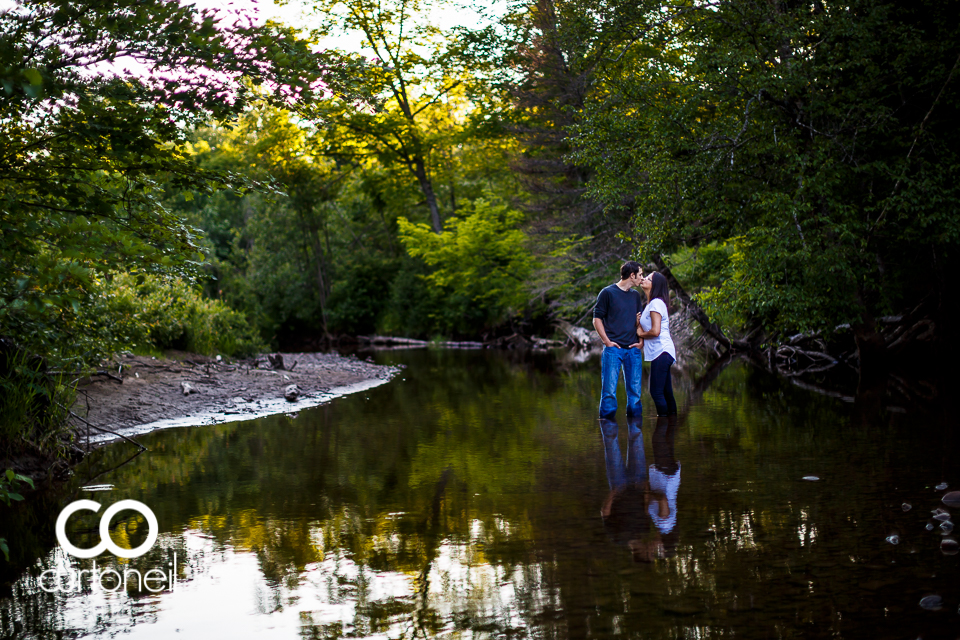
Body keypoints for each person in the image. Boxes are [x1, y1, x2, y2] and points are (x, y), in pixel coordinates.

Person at [593, 262, 645, 419]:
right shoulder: (607, 293)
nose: (642, 278)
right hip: (613, 350)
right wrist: (607, 342)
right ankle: (608, 433)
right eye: (640, 274)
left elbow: (639, 321)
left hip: (633, 350)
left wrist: (641, 342)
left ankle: (636, 433)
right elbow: (597, 320)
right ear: (632, 275)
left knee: (635, 394)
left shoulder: (635, 296)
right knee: (609, 392)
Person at [636, 271, 677, 416]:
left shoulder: (656, 303)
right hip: (660, 352)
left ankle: (663, 426)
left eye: (648, 279)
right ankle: (671, 428)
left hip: (662, 351)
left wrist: (640, 334)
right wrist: (638, 325)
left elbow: (655, 331)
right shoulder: (651, 304)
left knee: (656, 392)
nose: (644, 280)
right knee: (666, 392)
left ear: (655, 285)